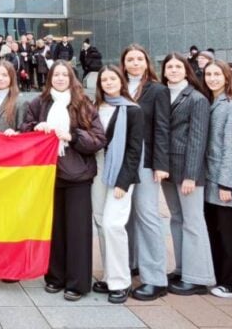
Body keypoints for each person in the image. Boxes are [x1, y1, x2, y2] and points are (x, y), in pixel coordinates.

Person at [21, 61, 105, 301]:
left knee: (77, 230)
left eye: (63, 75)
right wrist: (37, 127)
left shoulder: (83, 104)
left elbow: (99, 138)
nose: (59, 78)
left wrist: (73, 135)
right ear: (49, 78)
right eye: (55, 75)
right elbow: (24, 129)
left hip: (77, 174)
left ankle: (77, 283)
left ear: (71, 78)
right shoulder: (39, 103)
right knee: (54, 228)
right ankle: (55, 277)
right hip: (48, 175)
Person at [159, 53, 216, 296]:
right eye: (168, 66)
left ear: (186, 70)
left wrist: (191, 175)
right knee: (176, 218)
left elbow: (197, 139)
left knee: (193, 221)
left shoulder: (197, 99)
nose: (173, 70)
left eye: (177, 66)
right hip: (168, 167)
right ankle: (182, 268)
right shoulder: (163, 94)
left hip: (188, 170)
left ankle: (199, 277)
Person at [121, 44, 172, 302]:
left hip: (145, 157)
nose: (135, 63)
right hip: (121, 157)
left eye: (139, 59)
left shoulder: (157, 90)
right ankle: (131, 264)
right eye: (130, 59)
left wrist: (161, 164)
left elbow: (162, 128)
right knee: (125, 215)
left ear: (146, 62)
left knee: (147, 214)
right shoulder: (117, 87)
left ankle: (155, 278)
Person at [89, 65, 144, 304]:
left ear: (121, 81)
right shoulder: (94, 107)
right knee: (101, 223)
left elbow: (134, 150)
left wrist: (124, 181)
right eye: (104, 80)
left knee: (113, 225)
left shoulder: (133, 110)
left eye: (113, 79)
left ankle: (121, 282)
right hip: (98, 169)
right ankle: (109, 276)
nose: (108, 83)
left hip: (121, 172)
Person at [203, 59, 232, 300]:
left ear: (227, 76)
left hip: (224, 183)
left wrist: (226, 184)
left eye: (216, 74)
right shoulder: (212, 103)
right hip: (211, 181)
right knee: (217, 232)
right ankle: (223, 279)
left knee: (230, 235)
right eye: (208, 74)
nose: (212, 78)